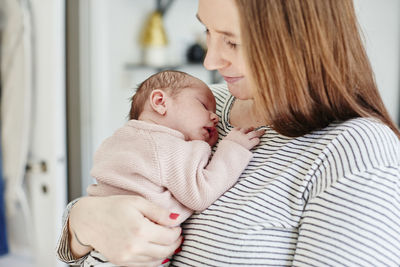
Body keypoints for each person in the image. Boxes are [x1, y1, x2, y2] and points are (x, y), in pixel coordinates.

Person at [57, 0, 400, 266]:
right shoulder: (198, 110)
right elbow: (96, 224)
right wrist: (82, 222)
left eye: (232, 42)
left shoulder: (356, 152)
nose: (210, 61)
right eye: (207, 32)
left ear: (298, 44)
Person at [80, 70, 263, 266]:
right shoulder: (166, 146)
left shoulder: (121, 139)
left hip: (101, 252)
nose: (215, 117)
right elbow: (200, 193)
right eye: (203, 106)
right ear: (160, 101)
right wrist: (232, 149)